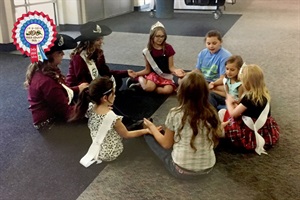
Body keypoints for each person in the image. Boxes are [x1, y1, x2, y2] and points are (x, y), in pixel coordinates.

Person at [143, 71, 225, 179]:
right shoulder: (212, 112)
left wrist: (152, 128)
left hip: (181, 170)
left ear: (181, 92)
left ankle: (148, 132)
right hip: (207, 170)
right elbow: (219, 135)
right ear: (205, 92)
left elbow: (166, 144)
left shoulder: (175, 113)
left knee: (148, 135)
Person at [69, 77, 155, 167]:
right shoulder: (113, 117)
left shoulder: (90, 108)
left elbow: (99, 116)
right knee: (138, 136)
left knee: (122, 128)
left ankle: (140, 124)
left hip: (98, 150)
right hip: (112, 154)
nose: (115, 96)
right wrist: (146, 131)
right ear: (105, 98)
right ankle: (144, 127)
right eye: (113, 94)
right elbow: (126, 135)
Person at [24, 34, 88, 130]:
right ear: (49, 57)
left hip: (55, 112)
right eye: (59, 52)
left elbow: (60, 89)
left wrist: (78, 89)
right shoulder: (47, 82)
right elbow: (66, 112)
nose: (63, 54)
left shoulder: (46, 71)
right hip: (50, 123)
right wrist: (88, 110)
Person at [218, 64, 280, 154]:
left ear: (247, 83)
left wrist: (228, 103)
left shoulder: (248, 97)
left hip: (248, 130)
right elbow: (251, 108)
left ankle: (222, 134)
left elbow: (233, 114)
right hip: (263, 127)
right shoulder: (264, 93)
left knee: (222, 112)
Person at [66, 21, 136, 93]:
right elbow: (82, 81)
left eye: (101, 38)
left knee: (117, 80)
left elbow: (105, 72)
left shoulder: (98, 53)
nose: (101, 42)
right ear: (89, 42)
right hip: (79, 87)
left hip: (92, 82)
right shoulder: (78, 57)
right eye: (97, 40)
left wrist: (126, 73)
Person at [127, 21, 185, 95]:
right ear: (152, 36)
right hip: (153, 75)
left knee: (167, 90)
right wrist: (136, 74)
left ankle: (142, 87)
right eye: (157, 36)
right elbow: (147, 69)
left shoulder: (168, 48)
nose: (160, 39)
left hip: (165, 75)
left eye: (162, 36)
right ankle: (140, 80)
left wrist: (176, 71)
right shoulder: (147, 51)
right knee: (149, 87)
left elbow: (171, 67)